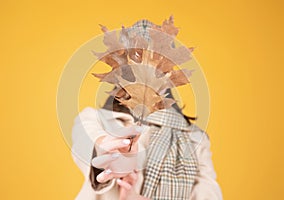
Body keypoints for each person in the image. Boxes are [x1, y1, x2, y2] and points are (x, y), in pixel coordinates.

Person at [71, 18, 223, 200]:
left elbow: (209, 194)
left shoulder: (194, 139)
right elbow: (86, 141)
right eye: (136, 61)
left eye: (157, 63)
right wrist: (105, 151)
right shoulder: (96, 120)